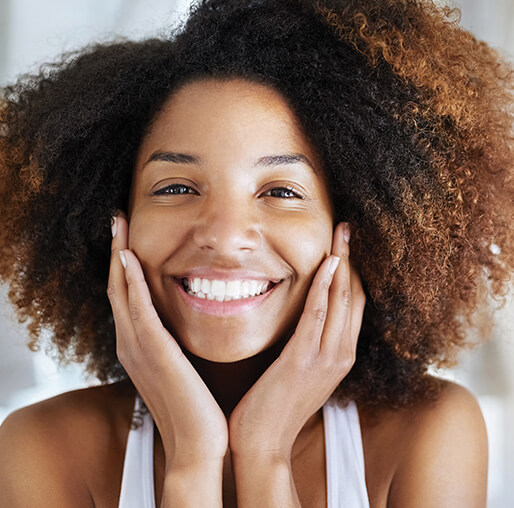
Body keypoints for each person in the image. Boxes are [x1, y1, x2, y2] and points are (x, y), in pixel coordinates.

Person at [0, 0, 512, 506]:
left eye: (282, 191)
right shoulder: (41, 448)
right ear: (113, 221)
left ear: (359, 229)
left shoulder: (427, 434)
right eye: (176, 187)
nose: (224, 237)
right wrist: (192, 457)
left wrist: (264, 452)